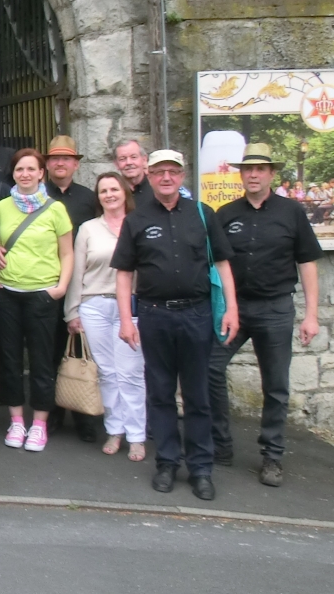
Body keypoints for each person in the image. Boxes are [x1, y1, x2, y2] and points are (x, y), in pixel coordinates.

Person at [112, 149, 239, 502]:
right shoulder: (136, 220)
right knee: (161, 393)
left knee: (198, 395)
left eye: (173, 171)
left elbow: (224, 264)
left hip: (197, 314)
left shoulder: (202, 214)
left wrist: (231, 309)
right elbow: (125, 274)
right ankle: (167, 462)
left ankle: (201, 468)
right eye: (159, 172)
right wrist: (126, 318)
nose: (166, 177)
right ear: (149, 176)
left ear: (182, 176)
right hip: (155, 315)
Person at [210, 144, 323, 487]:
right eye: (248, 170)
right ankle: (221, 444)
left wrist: (311, 315)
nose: (254, 175)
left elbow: (307, 262)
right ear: (240, 174)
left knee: (275, 386)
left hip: (275, 308)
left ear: (272, 174)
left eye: (260, 169)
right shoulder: (225, 214)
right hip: (236, 307)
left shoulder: (292, 212)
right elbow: (218, 265)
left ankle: (272, 456)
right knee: (210, 366)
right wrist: (225, 306)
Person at [0, 148, 73, 453]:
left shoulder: (55, 210)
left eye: (30, 169)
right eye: (19, 169)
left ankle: (38, 423)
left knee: (41, 361)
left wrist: (61, 287)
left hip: (42, 294)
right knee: (9, 359)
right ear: (13, 174)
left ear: (41, 173)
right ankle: (16, 420)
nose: (24, 174)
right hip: (8, 294)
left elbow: (67, 252)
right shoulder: (2, 208)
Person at [66, 173, 146, 461]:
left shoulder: (139, 224)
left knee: (132, 373)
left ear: (125, 192)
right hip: (95, 305)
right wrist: (72, 311)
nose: (109, 195)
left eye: (114, 189)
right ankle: (115, 430)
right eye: (103, 191)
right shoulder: (88, 228)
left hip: (132, 306)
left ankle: (137, 435)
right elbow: (78, 272)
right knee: (107, 373)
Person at [40, 135, 102, 443]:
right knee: (49, 352)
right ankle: (51, 413)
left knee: (82, 352)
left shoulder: (89, 199)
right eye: (54, 159)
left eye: (66, 158)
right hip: (46, 283)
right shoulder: (37, 196)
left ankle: (85, 416)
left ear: (76, 164)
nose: (60, 163)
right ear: (47, 164)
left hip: (82, 286)